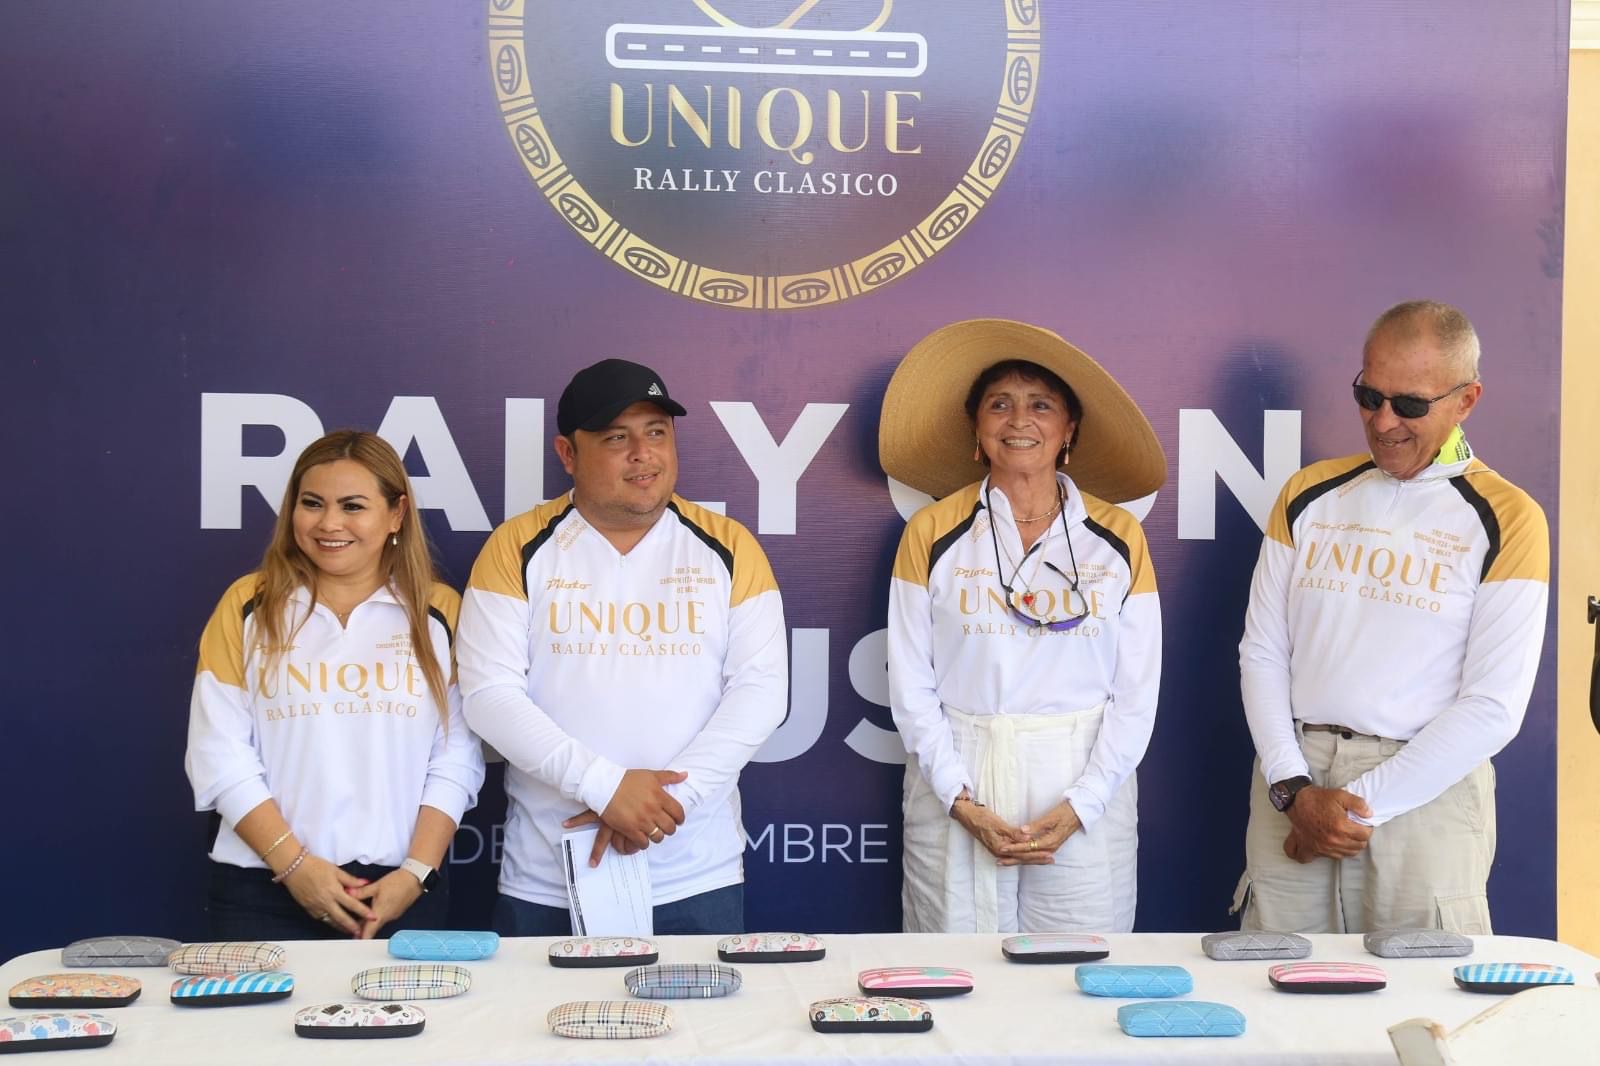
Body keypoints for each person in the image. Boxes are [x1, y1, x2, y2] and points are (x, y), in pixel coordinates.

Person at [1236, 300, 1549, 934]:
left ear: (1466, 401)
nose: (1383, 422)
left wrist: (1354, 809)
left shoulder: (1508, 516)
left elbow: (1493, 706)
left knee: (1422, 991)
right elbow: (1263, 651)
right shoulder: (1308, 494)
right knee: (1273, 986)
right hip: (1293, 776)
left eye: (1409, 404)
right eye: (1369, 396)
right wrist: (1293, 790)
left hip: (1424, 790)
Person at [457, 358, 787, 936]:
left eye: (656, 432)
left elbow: (760, 694)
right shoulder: (516, 546)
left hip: (695, 872)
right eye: (616, 438)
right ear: (567, 454)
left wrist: (660, 807)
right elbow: (489, 697)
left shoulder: (729, 546)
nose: (643, 453)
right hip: (548, 876)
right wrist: (605, 787)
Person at [880, 318, 1166, 933]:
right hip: (958, 774)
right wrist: (960, 800)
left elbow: (1137, 693)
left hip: (1083, 779)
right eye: (999, 404)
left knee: (1077, 969)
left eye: (1041, 405)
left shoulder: (1118, 537)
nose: (1019, 420)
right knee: (954, 969)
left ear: (1069, 429)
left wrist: (1083, 803)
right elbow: (909, 682)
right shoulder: (932, 531)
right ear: (977, 429)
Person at [185, 430, 486, 939]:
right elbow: (218, 754)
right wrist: (294, 866)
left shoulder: (439, 612)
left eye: (352, 506)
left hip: (399, 891)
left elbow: (456, 759)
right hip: (263, 888)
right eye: (312, 504)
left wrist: (416, 873)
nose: (328, 523)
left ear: (396, 514)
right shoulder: (247, 604)